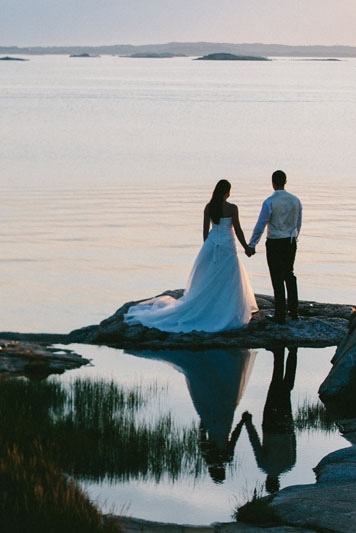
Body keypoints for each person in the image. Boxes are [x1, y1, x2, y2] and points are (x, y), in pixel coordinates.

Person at [124, 179, 258, 333]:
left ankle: (210, 304)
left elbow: (205, 231)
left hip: (212, 243)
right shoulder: (232, 208)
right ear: (227, 192)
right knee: (228, 276)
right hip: (228, 244)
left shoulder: (209, 207)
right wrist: (246, 248)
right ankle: (226, 308)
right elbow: (238, 230)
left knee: (211, 275)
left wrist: (208, 248)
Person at [247, 170, 302, 324]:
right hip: (290, 241)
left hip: (275, 242)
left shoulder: (269, 202)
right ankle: (294, 311)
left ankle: (280, 314)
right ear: (285, 181)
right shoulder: (295, 200)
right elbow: (298, 222)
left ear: (273, 183)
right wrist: (294, 237)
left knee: (277, 278)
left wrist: (252, 244)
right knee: (289, 274)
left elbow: (261, 224)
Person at [241, 346, 298, 493]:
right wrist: (248, 423)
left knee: (286, 390)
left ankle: (292, 352)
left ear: (277, 483)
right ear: (268, 481)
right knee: (276, 384)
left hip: (285, 425)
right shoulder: (265, 465)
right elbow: (255, 442)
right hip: (271, 425)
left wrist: (291, 427)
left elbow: (294, 442)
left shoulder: (289, 465)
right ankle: (280, 353)